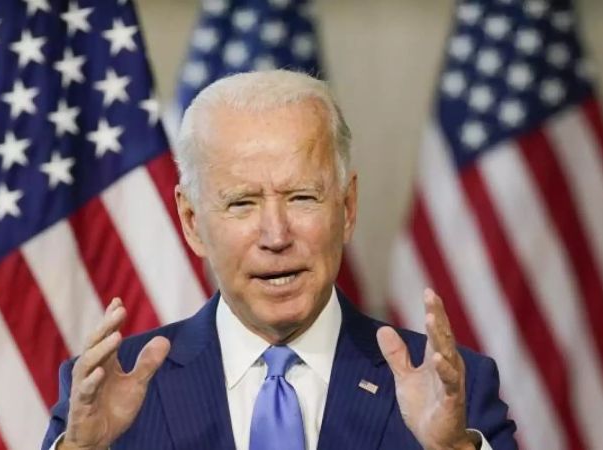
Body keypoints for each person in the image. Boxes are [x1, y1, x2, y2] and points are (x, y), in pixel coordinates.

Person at [41, 70, 517, 450]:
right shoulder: (107, 391)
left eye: (302, 197)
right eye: (242, 202)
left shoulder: (453, 391)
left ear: (347, 208)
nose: (275, 235)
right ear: (191, 221)